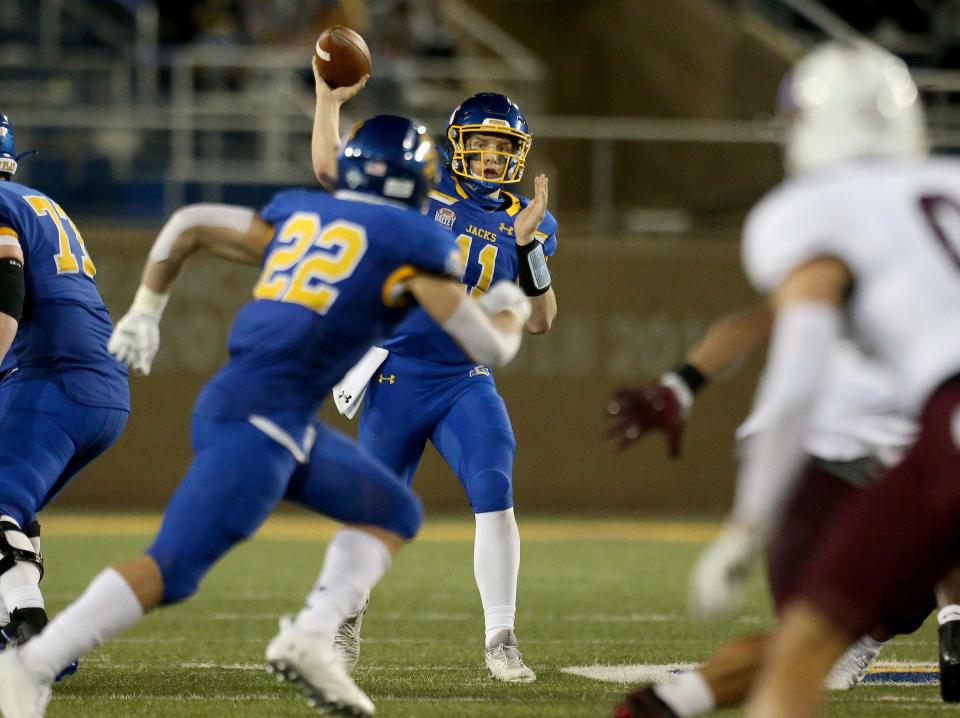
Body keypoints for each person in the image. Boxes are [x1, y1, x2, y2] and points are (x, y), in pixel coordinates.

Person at [0, 113, 533, 718]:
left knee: (392, 509)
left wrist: (146, 310)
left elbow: (190, 223)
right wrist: (511, 303)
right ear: (418, 178)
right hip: (261, 420)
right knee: (170, 569)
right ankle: (31, 666)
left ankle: (310, 636)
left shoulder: (303, 212)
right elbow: (491, 347)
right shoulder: (414, 240)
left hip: (261, 406)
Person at [670, 40, 960, 717]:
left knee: (806, 642)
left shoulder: (807, 211)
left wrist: (747, 523)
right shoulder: (950, 180)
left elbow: (800, 371)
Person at [312, 65, 557, 683]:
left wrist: (528, 247)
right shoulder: (422, 186)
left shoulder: (531, 219)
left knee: (495, 485)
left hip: (464, 377)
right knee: (372, 509)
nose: (494, 156)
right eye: (483, 143)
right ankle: (346, 619)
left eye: (506, 147)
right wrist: (326, 100)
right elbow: (331, 171)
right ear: (458, 145)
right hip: (397, 372)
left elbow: (542, 321)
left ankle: (501, 637)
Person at [605, 307, 945, 718]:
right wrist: (680, 385)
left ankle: (668, 704)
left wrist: (680, 386)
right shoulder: (890, 266)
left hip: (829, 453)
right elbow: (768, 316)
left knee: (822, 628)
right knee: (812, 634)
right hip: (825, 457)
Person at [0, 114, 129, 652]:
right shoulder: (36, 202)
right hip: (101, 389)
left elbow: (6, 277)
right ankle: (18, 623)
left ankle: (32, 637)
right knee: (13, 508)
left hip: (51, 378)